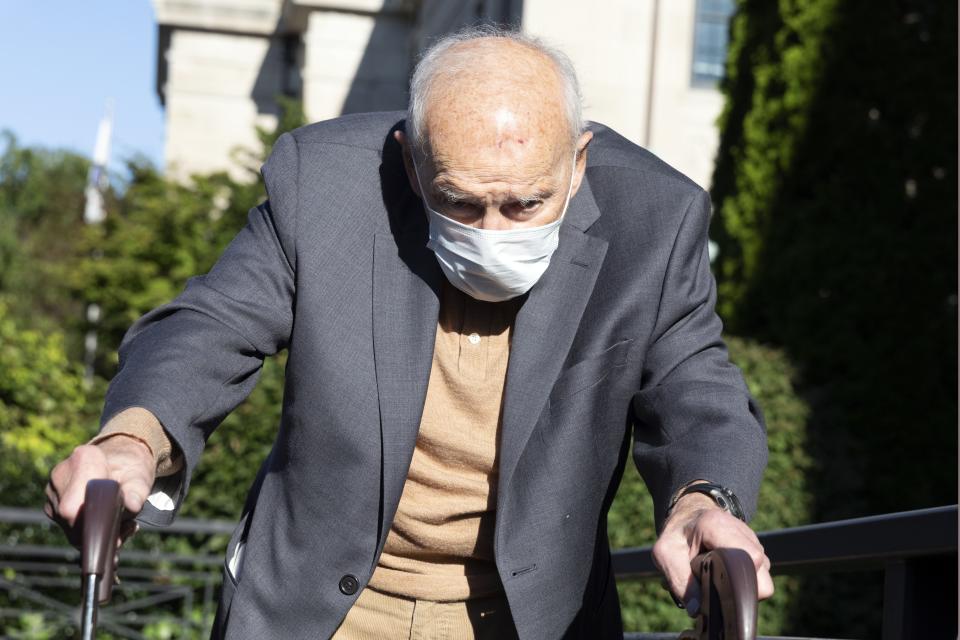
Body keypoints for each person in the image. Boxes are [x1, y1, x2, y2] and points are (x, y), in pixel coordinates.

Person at [45, 26, 773, 639]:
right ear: (411, 162)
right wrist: (131, 440)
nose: (493, 231)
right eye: (459, 202)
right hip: (316, 607)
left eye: (525, 204)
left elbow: (695, 384)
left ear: (578, 164)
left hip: (527, 616)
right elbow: (213, 323)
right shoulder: (323, 184)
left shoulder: (657, 218)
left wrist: (705, 500)